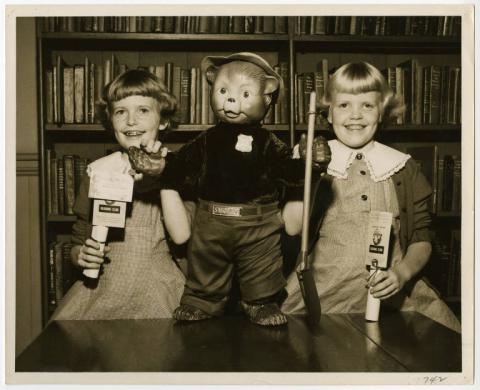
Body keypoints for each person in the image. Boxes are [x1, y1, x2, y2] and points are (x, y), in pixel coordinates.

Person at [128, 52, 330, 326]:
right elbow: (185, 166)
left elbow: (287, 173)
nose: (230, 100)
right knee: (206, 267)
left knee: (262, 268)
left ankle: (260, 302)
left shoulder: (270, 143)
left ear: (267, 96)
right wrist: (161, 166)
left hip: (258, 225)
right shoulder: (207, 140)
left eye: (245, 94)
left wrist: (310, 166)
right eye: (223, 90)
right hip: (212, 221)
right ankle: (202, 302)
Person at [282, 61, 461, 333]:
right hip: (324, 294)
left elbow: (421, 240)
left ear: (382, 112)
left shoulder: (402, 166)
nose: (355, 115)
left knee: (447, 344)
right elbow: (293, 227)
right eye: (344, 105)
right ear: (328, 114)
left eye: (367, 105)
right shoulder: (307, 160)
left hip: (395, 298)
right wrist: (303, 172)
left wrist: (401, 275)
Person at [52, 69, 192, 320]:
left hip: (158, 290)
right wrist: (81, 255)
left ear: (163, 121)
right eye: (120, 111)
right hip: (102, 290)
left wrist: (163, 173)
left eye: (143, 110)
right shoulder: (98, 171)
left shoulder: (183, 170)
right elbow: (79, 239)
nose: (131, 121)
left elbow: (181, 236)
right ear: (111, 122)